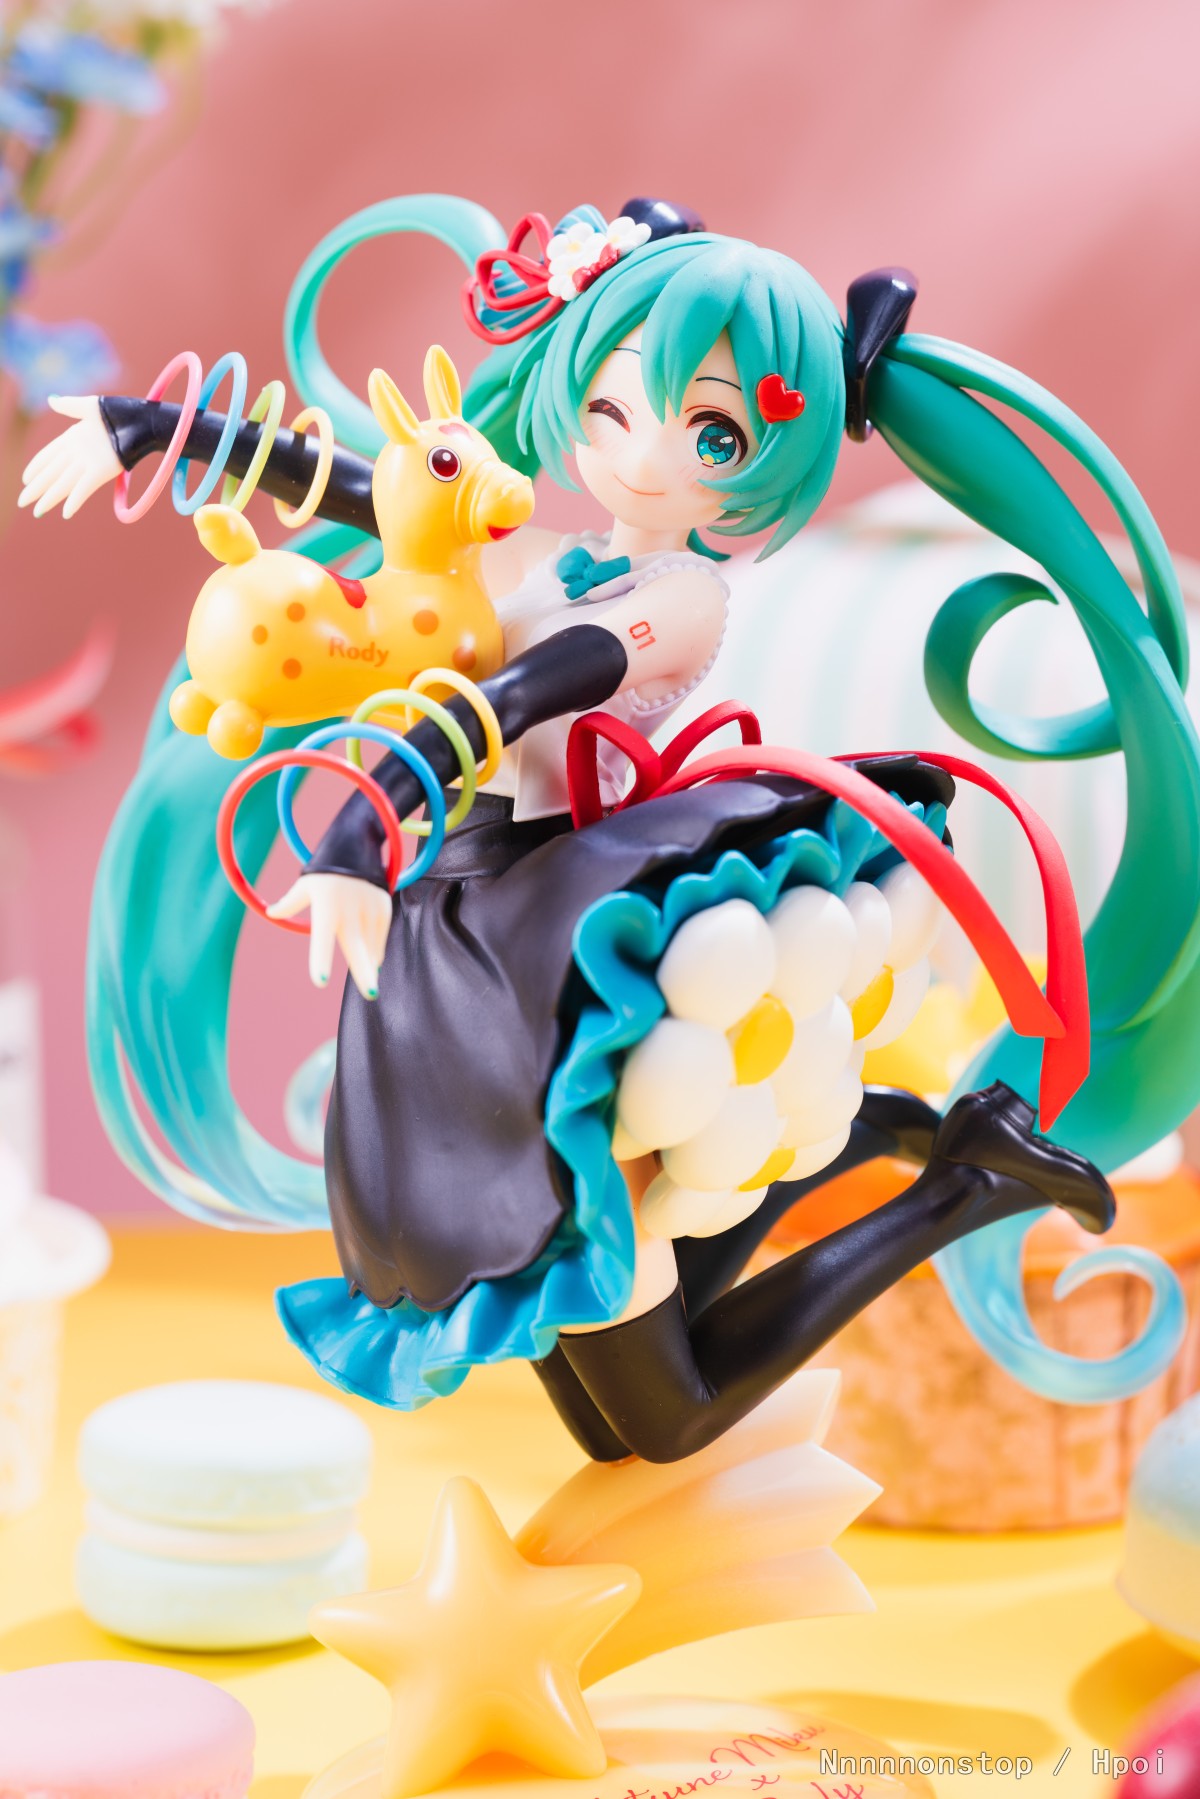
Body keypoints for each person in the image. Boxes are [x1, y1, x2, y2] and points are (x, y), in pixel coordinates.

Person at [35, 195, 1200, 1457]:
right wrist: (144, 429)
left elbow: (527, 690)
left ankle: (965, 1177)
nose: (646, 454)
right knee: (603, 1403)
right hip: (453, 943)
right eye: (615, 404)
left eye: (712, 431)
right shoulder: (525, 545)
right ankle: (878, 1128)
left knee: (665, 1417)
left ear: (765, 455)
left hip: (554, 934)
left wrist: (366, 828)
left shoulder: (684, 595)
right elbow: (360, 490)